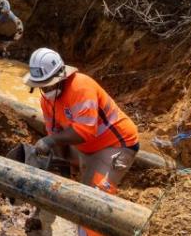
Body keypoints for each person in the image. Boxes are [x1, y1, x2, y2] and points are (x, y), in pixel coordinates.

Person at [22, 48, 139, 236]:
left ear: (60, 77)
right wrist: (62, 165)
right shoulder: (47, 100)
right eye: (42, 86)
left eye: (48, 85)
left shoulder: (80, 88)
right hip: (88, 148)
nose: (45, 90)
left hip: (116, 145)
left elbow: (84, 131)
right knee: (82, 195)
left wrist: (50, 141)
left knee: (92, 204)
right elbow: (55, 132)